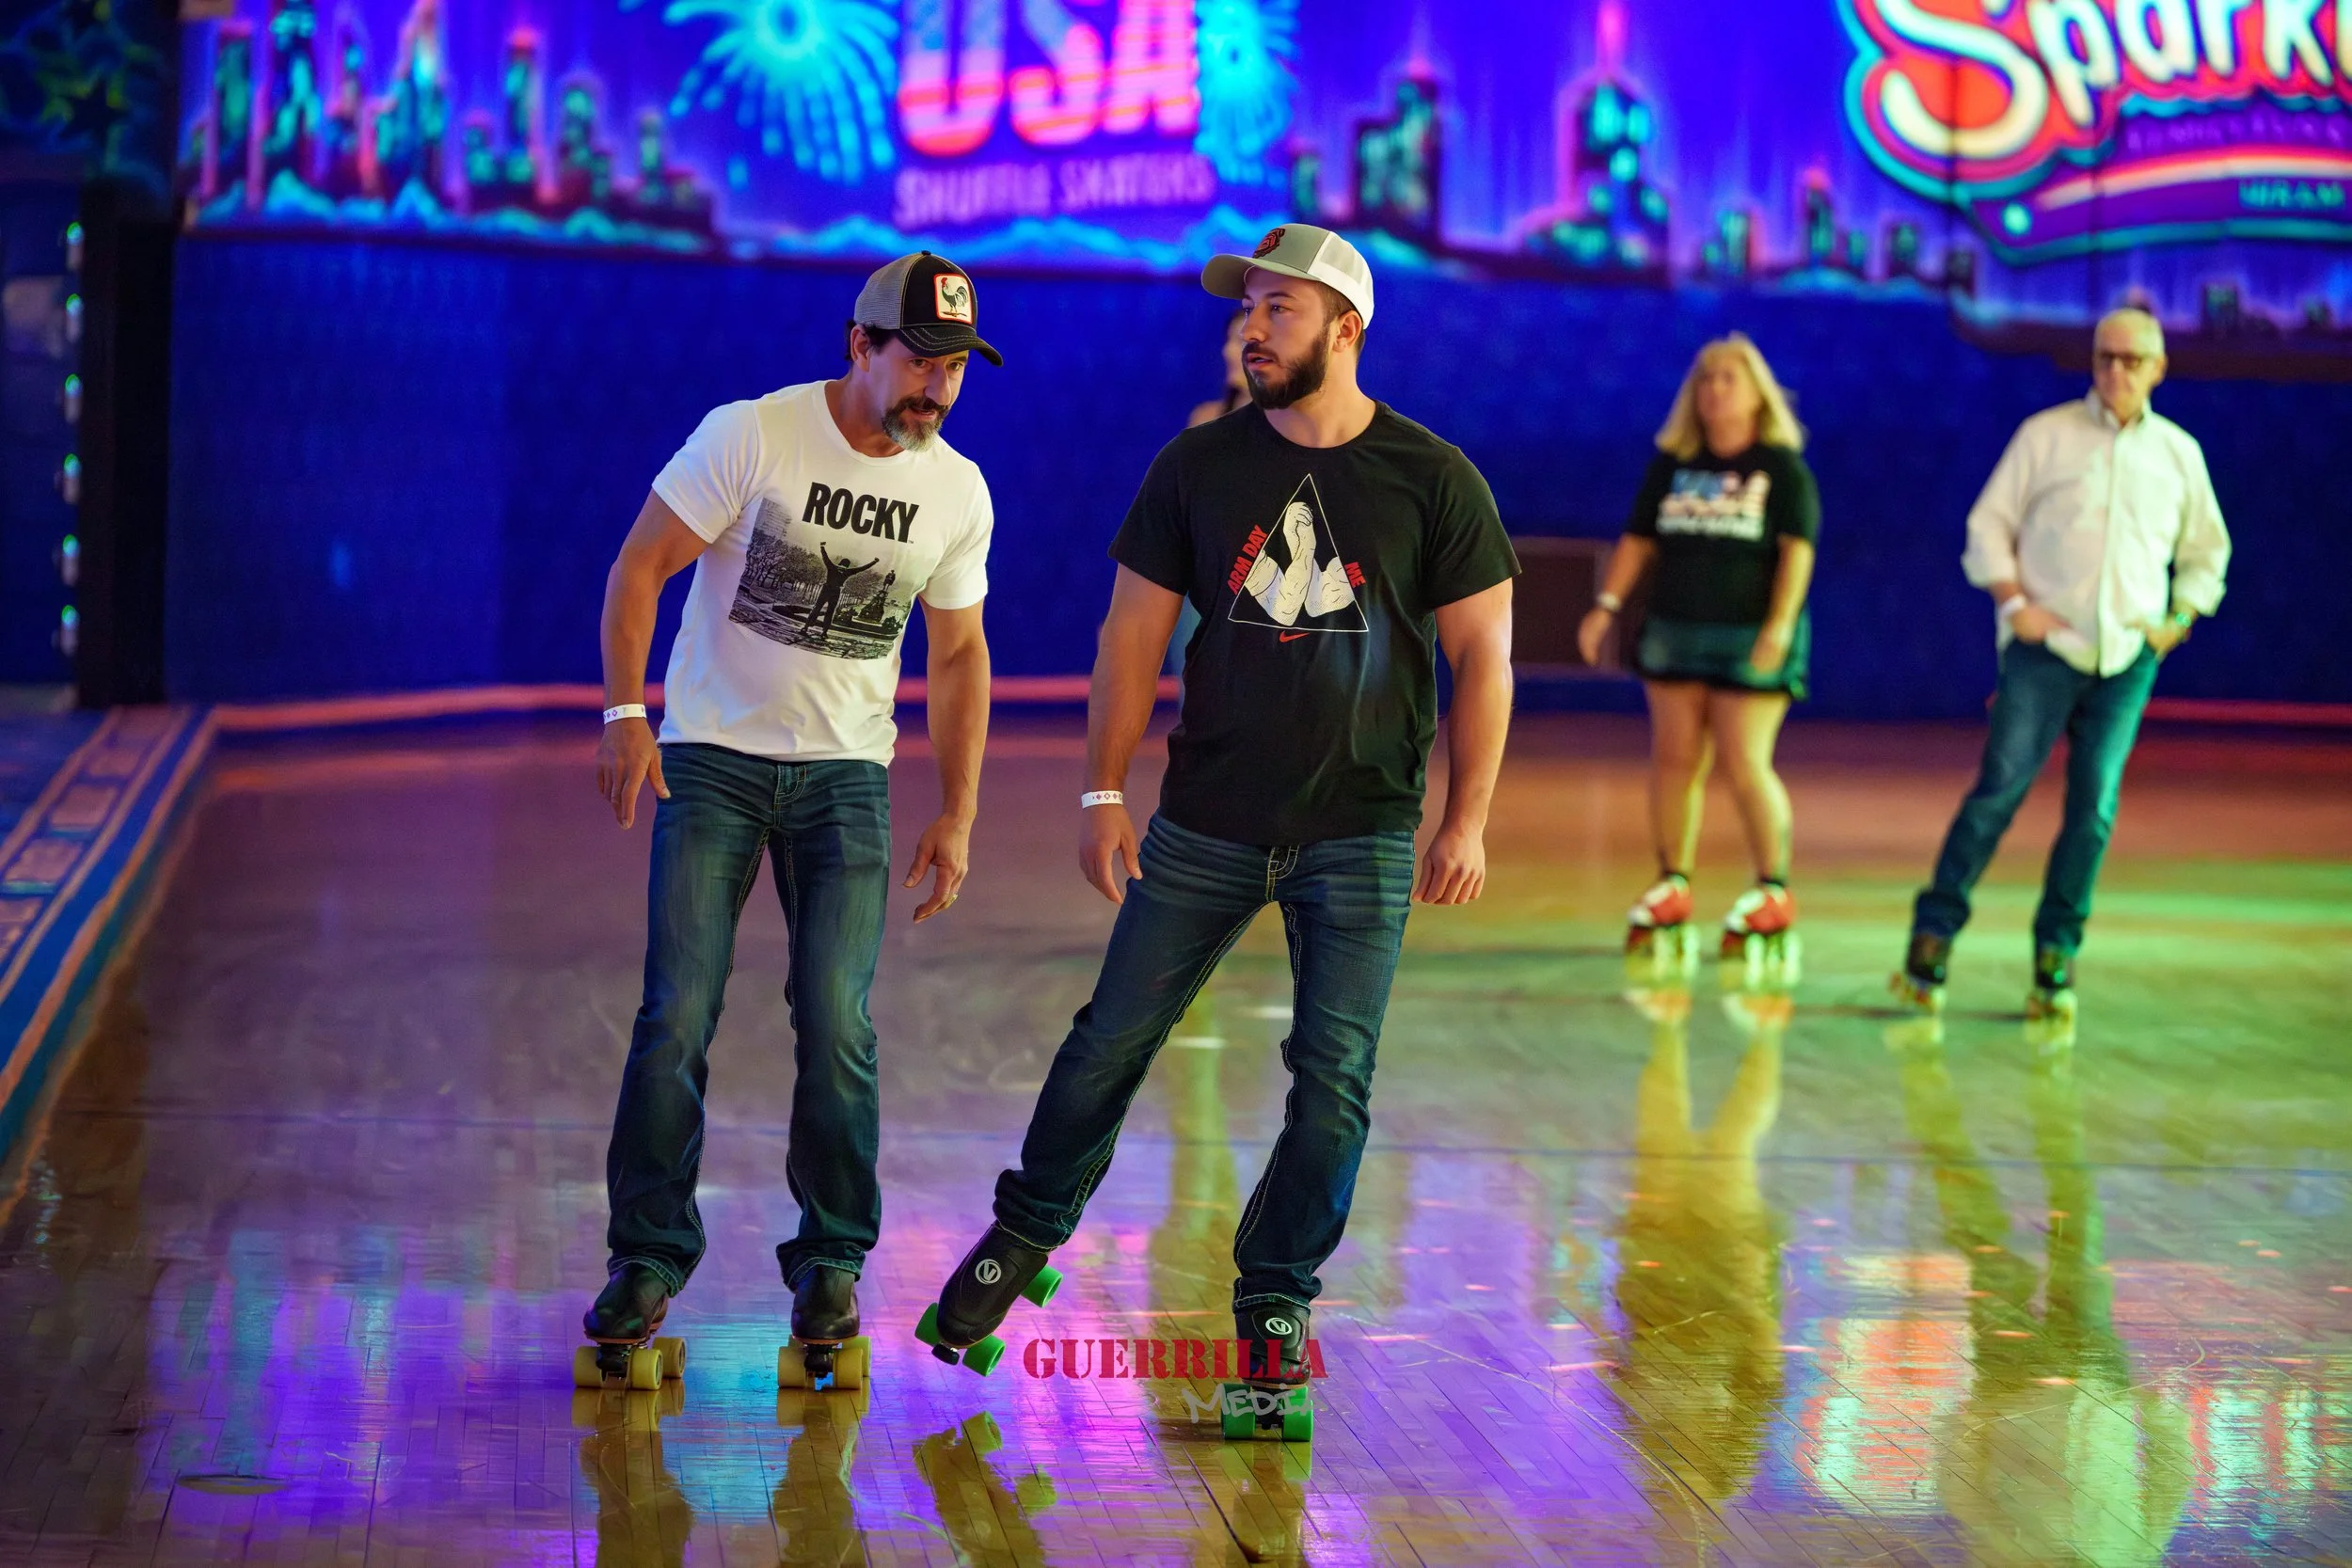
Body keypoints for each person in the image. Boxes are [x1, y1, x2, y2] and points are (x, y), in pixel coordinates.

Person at [916, 223, 1518, 1403]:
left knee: (1332, 1074)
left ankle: (1277, 1294)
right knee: (1110, 1038)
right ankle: (1024, 1229)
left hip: (1362, 831)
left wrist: (1467, 817)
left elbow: (1484, 655)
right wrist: (1102, 789)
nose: (1251, 328)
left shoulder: (1434, 476)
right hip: (1207, 820)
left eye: (1278, 310)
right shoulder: (1196, 466)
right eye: (1246, 310)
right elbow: (1130, 636)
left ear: (1347, 326)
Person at [581, 250, 1000, 1384]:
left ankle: (831, 1260)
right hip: (710, 763)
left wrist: (956, 809)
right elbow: (638, 569)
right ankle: (649, 1256)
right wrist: (628, 713)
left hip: (845, 782)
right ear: (858, 344)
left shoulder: (955, 491)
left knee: (838, 1019)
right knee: (677, 1012)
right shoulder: (751, 433)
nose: (937, 388)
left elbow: (958, 656)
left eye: (955, 368)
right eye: (919, 359)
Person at [1894, 307, 2229, 1020]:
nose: (2116, 371)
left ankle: (2056, 955)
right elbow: (1987, 525)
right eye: (2106, 357)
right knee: (1999, 792)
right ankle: (1933, 937)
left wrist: (2178, 619)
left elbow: (2208, 552)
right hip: (2045, 650)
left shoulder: (2178, 454)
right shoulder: (2046, 437)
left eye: (2132, 360)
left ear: (2158, 369)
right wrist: (2017, 606)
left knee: (2093, 811)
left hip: (2127, 657)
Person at [1578, 333, 1819, 982]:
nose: (1715, 389)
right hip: (1675, 630)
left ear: (1755, 393)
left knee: (1744, 760)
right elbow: (1638, 539)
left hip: (1749, 636)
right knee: (1677, 757)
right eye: (1706, 378)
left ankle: (1772, 886)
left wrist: (1779, 624)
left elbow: (1798, 551)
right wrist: (1606, 604)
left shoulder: (1781, 468)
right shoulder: (1672, 465)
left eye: (1729, 378)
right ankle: (1673, 882)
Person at [1164, 309, 1250, 678]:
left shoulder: (1303, 432)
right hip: (1201, 585)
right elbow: (1177, 519)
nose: (1230, 352)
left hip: (1267, 584)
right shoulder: (1207, 420)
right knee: (1198, 696)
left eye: (1242, 342)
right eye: (1229, 341)